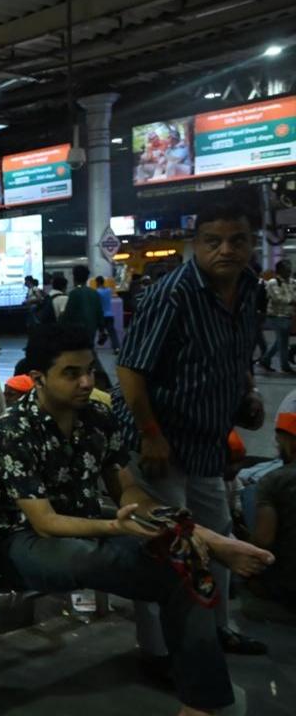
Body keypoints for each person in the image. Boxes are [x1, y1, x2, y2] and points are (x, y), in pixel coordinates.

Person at [0, 323, 275, 716]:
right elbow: (45, 522)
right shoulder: (13, 430)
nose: (87, 382)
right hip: (22, 542)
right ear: (38, 379)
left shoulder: (98, 417)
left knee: (184, 569)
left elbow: (127, 491)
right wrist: (118, 527)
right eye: (71, 373)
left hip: (89, 526)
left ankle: (201, 704)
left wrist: (139, 519)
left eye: (90, 370)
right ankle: (206, 537)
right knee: (92, 554)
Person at [112, 201, 270, 661]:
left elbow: (238, 355)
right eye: (212, 241)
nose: (227, 250)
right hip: (159, 440)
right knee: (167, 546)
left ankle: (215, 632)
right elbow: (130, 371)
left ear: (251, 242)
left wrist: (248, 396)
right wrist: (150, 434)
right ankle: (160, 651)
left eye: (237, 240)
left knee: (217, 536)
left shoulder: (251, 289)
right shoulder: (173, 293)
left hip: (207, 441)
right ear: (194, 244)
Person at [248, 412, 296, 606]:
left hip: (287, 588)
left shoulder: (274, 480)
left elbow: (264, 539)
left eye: (278, 443)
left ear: (289, 444)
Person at [260, 260, 296, 373]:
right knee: (283, 342)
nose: (290, 270)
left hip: (288, 314)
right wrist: (291, 300)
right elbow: (277, 298)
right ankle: (285, 366)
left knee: (280, 341)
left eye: (290, 268)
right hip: (276, 315)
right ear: (280, 270)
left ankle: (265, 360)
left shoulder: (292, 282)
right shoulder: (273, 282)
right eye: (287, 268)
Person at [60, 265, 104, 345]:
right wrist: (102, 329)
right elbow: (99, 313)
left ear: (74, 278)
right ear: (87, 278)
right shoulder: (94, 293)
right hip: (91, 330)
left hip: (77, 332)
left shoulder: (73, 293)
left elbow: (68, 314)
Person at [94, 276, 123, 350]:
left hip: (101, 316)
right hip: (110, 314)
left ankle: (102, 335)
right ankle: (116, 348)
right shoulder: (109, 290)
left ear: (97, 282)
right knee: (112, 332)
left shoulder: (97, 292)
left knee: (97, 329)